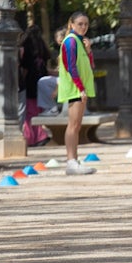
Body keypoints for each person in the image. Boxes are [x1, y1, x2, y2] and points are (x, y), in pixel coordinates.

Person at [57, 14, 97, 175]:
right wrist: (80, 88)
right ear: (71, 24)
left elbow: (90, 66)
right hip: (75, 89)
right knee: (73, 125)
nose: (83, 27)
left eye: (86, 24)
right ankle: (71, 161)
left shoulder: (80, 42)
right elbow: (70, 66)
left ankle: (74, 160)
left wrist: (89, 51)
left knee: (76, 125)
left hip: (80, 89)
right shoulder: (71, 41)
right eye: (80, 24)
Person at [19, 25, 52, 148]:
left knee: (29, 112)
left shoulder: (26, 49)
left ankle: (34, 137)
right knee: (36, 110)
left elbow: (25, 68)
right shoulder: (42, 49)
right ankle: (38, 135)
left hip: (29, 82)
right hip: (41, 81)